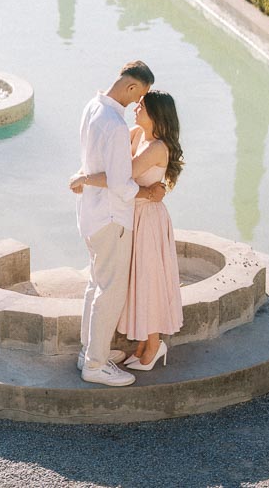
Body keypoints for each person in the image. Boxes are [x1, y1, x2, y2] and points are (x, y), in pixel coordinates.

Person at [69, 59, 165, 387]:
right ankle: (95, 365)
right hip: (112, 218)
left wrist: (85, 179)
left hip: (90, 213)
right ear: (131, 86)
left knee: (95, 284)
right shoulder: (116, 125)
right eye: (139, 95)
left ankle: (89, 352)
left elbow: (95, 167)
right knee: (109, 291)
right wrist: (149, 192)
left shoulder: (91, 108)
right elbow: (122, 184)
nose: (137, 102)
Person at [118, 90, 184, 370]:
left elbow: (122, 175)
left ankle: (155, 344)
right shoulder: (137, 134)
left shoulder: (157, 147)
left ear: (156, 114)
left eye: (142, 106)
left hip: (148, 219)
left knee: (149, 279)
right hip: (135, 214)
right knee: (137, 278)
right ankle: (144, 342)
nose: (136, 108)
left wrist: (88, 179)